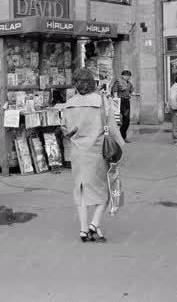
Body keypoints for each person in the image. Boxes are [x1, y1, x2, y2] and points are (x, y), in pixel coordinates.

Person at [61, 68, 125, 243]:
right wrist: (121, 147)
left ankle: (84, 230)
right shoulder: (102, 102)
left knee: (81, 190)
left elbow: (65, 130)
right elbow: (113, 128)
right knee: (105, 190)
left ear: (76, 84)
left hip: (77, 153)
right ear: (93, 84)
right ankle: (94, 224)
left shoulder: (68, 104)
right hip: (98, 152)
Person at [111, 70, 134, 142]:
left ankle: (122, 136)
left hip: (126, 101)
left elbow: (131, 91)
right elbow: (115, 92)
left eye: (128, 75)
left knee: (127, 120)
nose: (127, 77)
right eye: (125, 75)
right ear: (122, 76)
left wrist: (131, 94)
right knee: (117, 120)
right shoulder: (118, 82)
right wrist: (115, 104)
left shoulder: (129, 84)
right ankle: (118, 137)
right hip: (118, 101)